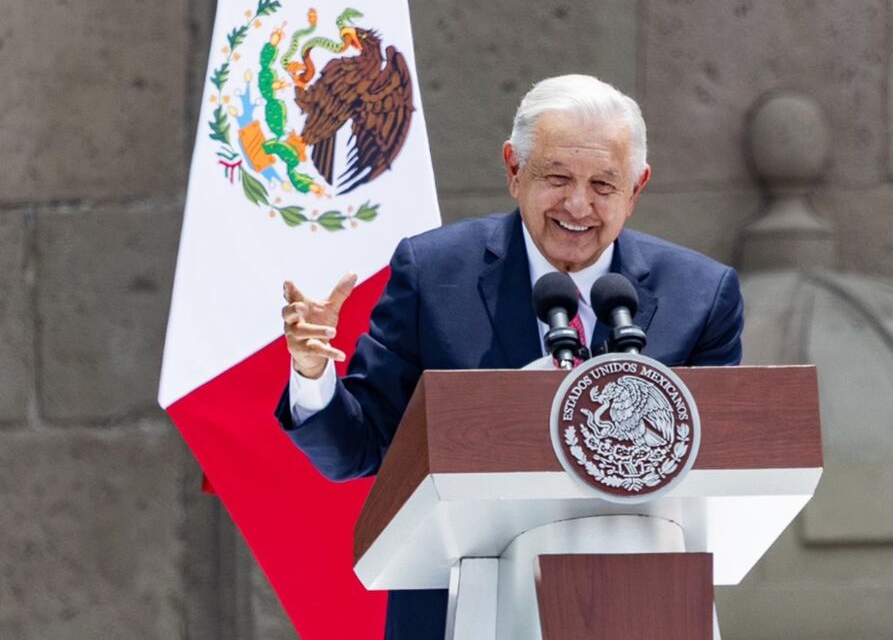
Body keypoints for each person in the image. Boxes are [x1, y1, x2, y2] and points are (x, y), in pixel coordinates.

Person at [276, 74, 744, 640]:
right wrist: (313, 372)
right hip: (458, 611)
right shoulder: (434, 274)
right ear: (513, 170)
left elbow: (722, 472)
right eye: (556, 177)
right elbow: (357, 451)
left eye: (603, 184)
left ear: (637, 188)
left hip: (642, 609)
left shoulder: (701, 294)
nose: (578, 204)